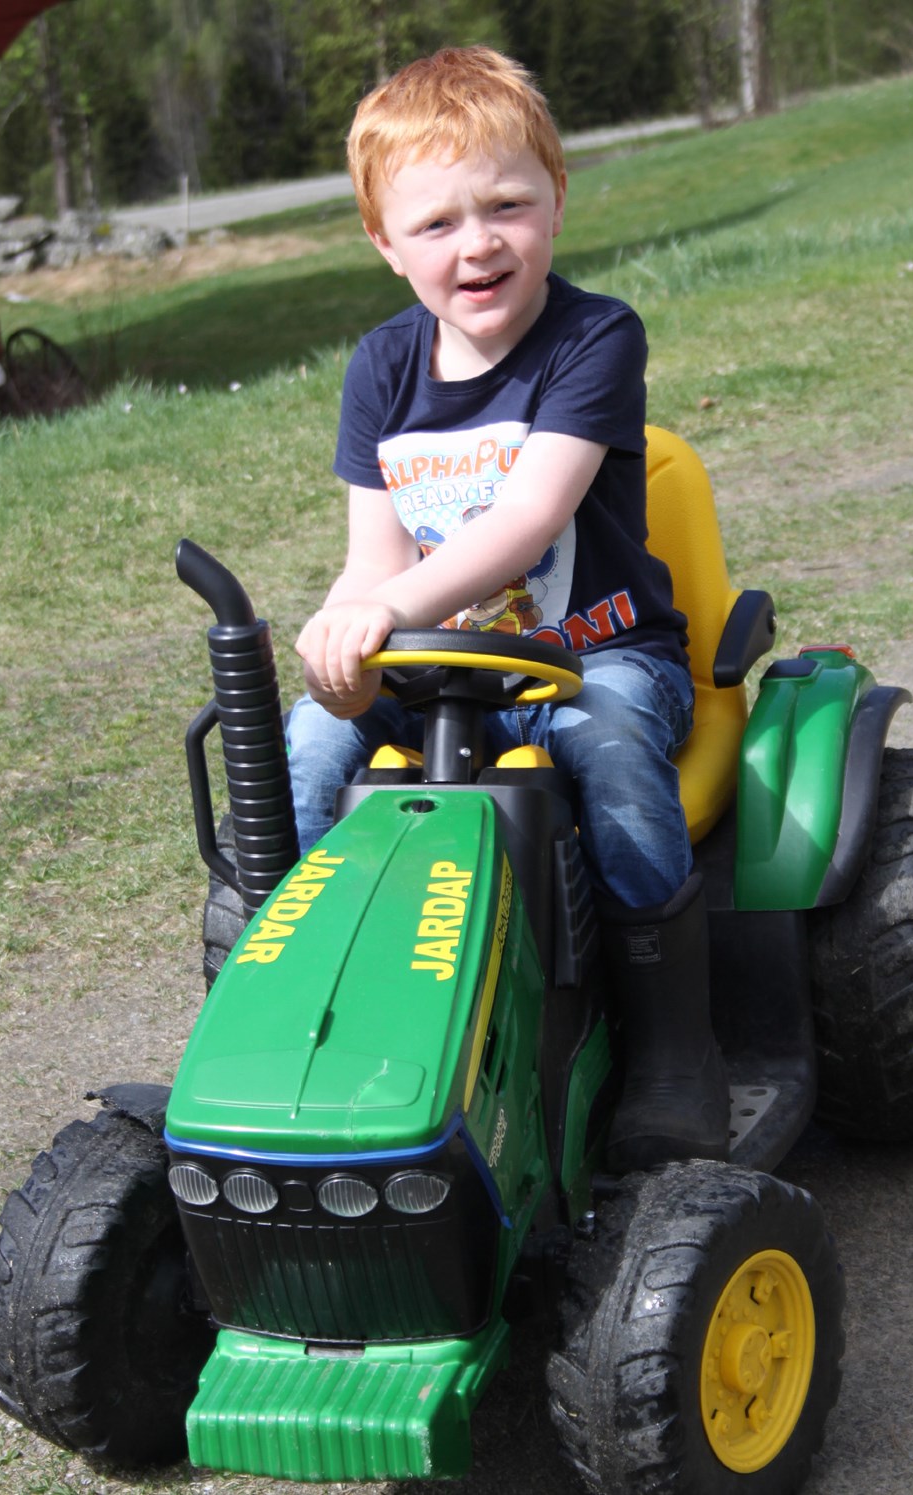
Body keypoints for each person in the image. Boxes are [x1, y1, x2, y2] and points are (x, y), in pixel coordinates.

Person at [286, 46, 727, 1170]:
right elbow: (370, 553)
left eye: (507, 206)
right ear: (385, 244)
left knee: (617, 748)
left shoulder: (593, 338)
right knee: (303, 740)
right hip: (441, 669)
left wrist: (384, 610)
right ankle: (288, 995)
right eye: (435, 224)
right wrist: (343, 633)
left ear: (557, 201)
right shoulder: (381, 370)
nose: (477, 243)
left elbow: (525, 525)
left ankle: (673, 1044)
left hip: (598, 657)